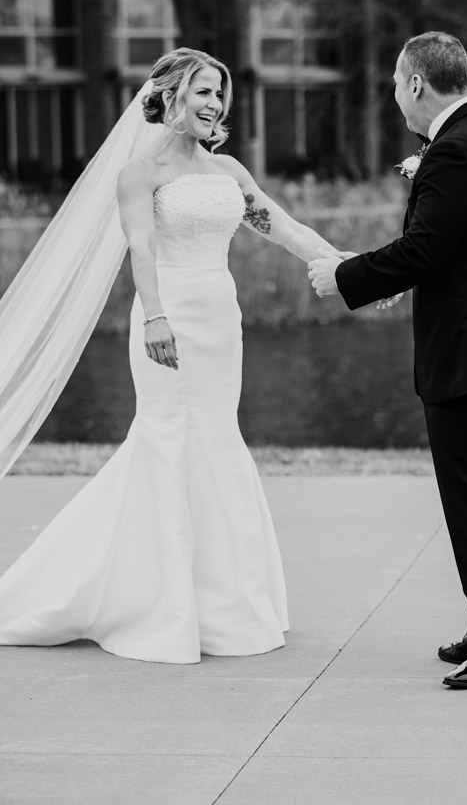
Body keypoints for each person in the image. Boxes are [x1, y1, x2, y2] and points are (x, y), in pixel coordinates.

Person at [0, 47, 344, 664]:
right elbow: (140, 250)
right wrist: (154, 315)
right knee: (165, 440)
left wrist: (353, 268)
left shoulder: (230, 172)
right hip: (168, 315)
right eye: (204, 92)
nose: (215, 104)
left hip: (220, 316)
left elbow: (288, 230)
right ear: (173, 96)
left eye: (220, 93)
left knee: (215, 440)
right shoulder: (140, 172)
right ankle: (154, 602)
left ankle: (223, 605)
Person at [308, 31, 467, 690]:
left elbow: (421, 251)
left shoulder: (457, 152)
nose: (391, 95)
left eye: (392, 83)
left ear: (416, 84)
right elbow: (450, 250)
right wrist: (407, 275)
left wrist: (345, 276)